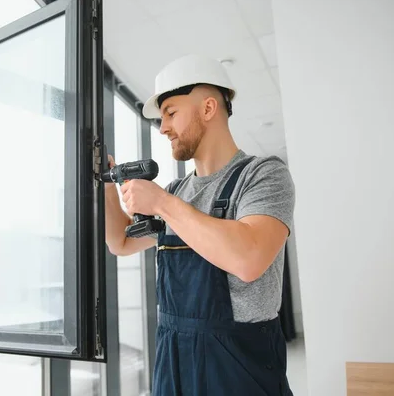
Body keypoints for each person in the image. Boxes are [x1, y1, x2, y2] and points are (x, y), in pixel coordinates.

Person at [104, 54, 295, 396]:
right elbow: (121, 242)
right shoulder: (178, 192)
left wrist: (161, 202)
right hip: (173, 363)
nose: (162, 128)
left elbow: (249, 258)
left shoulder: (263, 174)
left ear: (208, 108)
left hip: (238, 370)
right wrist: (104, 184)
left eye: (171, 113)